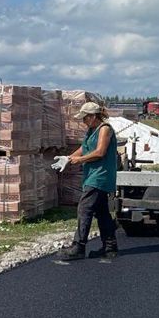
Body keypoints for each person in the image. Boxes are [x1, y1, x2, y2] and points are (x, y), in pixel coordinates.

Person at [55, 101, 120, 262]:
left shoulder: (105, 129)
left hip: (100, 176)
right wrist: (69, 158)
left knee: (84, 208)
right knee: (102, 212)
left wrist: (79, 160)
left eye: (84, 118)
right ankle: (110, 247)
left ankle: (79, 246)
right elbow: (84, 148)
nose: (83, 121)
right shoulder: (91, 130)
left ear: (92, 116)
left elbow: (100, 152)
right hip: (92, 175)